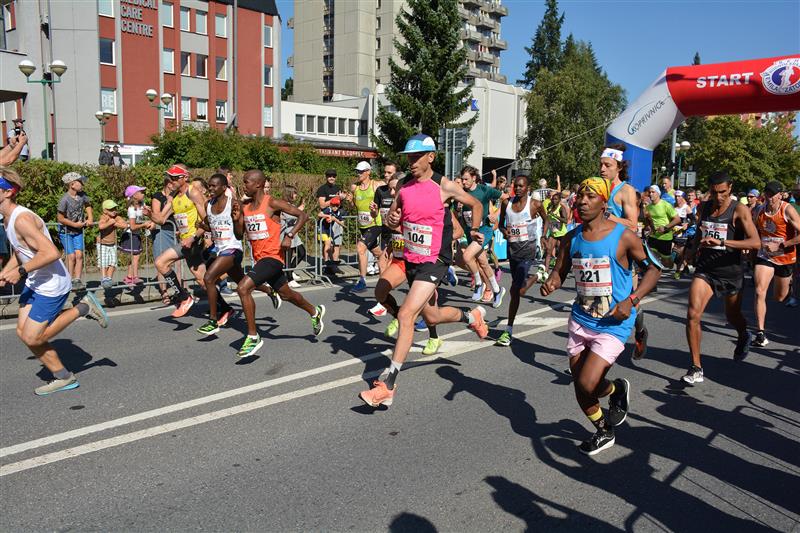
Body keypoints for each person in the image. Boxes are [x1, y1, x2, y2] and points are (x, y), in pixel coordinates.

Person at [359, 134, 488, 408]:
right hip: (411, 259)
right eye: (408, 157)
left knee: (406, 314)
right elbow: (393, 218)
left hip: (435, 261)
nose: (412, 162)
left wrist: (475, 229)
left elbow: (476, 204)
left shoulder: (445, 186)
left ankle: (388, 385)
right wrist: (392, 219)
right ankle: (470, 315)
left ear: (431, 156)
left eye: (417, 157)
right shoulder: (403, 186)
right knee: (432, 315)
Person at [540, 177, 661, 455]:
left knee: (586, 381)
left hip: (613, 324)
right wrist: (552, 281)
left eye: (590, 197)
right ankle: (605, 428)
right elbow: (560, 270)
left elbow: (654, 271)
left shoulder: (624, 236)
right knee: (581, 387)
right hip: (581, 320)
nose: (582, 201)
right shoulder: (572, 238)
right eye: (580, 196)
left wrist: (632, 300)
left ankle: (616, 389)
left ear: (604, 202)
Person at [0, 167, 108, 395]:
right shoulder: (8, 218)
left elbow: (51, 253)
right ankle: (63, 377)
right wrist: (6, 271)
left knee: (33, 336)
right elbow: (21, 250)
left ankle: (84, 307)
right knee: (23, 333)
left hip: (52, 285)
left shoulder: (22, 219)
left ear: (8, 192)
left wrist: (19, 272)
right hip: (35, 281)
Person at [234, 170, 326, 358]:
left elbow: (303, 215)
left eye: (246, 182)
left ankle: (253, 336)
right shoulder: (245, 207)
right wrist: (237, 219)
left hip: (273, 258)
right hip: (261, 259)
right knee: (286, 295)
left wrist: (289, 235)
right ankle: (314, 311)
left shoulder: (272, 203)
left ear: (258, 184)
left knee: (243, 288)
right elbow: (238, 235)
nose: (244, 186)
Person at [682, 172, 760, 385]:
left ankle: (743, 334)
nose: (719, 197)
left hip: (731, 272)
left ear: (730, 188)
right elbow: (700, 232)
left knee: (732, 316)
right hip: (706, 269)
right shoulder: (704, 207)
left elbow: (755, 243)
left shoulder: (739, 210)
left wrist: (724, 243)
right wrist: (692, 249)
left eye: (723, 192)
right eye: (715, 193)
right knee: (692, 314)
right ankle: (696, 367)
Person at [373, 174, 443, 354]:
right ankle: (398, 316)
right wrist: (388, 248)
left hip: (420, 261)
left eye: (396, 188)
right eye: (392, 189)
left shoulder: (417, 206)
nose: (393, 192)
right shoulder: (393, 208)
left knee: (428, 310)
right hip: (400, 261)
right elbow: (391, 233)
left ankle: (434, 337)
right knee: (380, 291)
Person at [599, 145, 650, 358]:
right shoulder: (598, 187)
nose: (602, 168)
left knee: (624, 301)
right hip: (601, 253)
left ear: (618, 167)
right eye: (601, 164)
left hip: (621, 257)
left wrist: (608, 218)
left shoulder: (626, 191)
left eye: (607, 165)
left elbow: (632, 224)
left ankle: (639, 330)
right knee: (598, 301)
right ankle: (597, 350)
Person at [495, 174, 548, 347]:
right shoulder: (506, 203)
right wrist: (504, 232)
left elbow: (546, 220)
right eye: (515, 186)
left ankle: (536, 276)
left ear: (528, 188)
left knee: (520, 291)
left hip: (528, 251)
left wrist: (543, 237)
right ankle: (509, 330)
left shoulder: (535, 204)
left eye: (521, 186)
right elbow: (501, 224)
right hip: (513, 251)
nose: (517, 189)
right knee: (514, 291)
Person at [154, 164, 208, 317]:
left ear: (185, 177)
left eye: (174, 178)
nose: (171, 180)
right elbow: (161, 219)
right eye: (169, 177)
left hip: (194, 241)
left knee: (160, 262)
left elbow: (207, 221)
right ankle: (223, 307)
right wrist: (149, 213)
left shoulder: (193, 192)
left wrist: (194, 237)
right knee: (202, 279)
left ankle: (184, 298)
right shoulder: (174, 197)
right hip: (185, 241)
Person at [751, 180, 800, 347]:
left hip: (785, 257)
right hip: (765, 256)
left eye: (773, 194)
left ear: (780, 195)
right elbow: (754, 231)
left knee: (779, 297)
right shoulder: (759, 210)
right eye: (767, 193)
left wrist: (781, 245)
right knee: (759, 291)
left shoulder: (787, 210)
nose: (769, 197)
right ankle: (760, 333)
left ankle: (788, 288)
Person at [194, 173, 242, 336]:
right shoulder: (209, 204)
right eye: (209, 186)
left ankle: (213, 321)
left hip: (233, 249)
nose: (211, 189)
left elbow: (241, 233)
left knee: (208, 278)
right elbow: (210, 226)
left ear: (224, 188)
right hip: (220, 249)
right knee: (243, 282)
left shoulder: (233, 204)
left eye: (214, 186)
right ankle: (271, 291)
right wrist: (201, 225)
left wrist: (236, 221)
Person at [459, 165, 506, 308]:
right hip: (470, 232)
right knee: (483, 263)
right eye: (462, 179)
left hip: (484, 230)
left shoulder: (484, 190)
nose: (464, 182)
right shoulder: (461, 193)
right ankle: (497, 291)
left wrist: (495, 215)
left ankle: (479, 283)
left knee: (467, 256)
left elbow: (505, 197)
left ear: (474, 178)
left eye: (466, 179)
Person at [347, 161, 384, 292]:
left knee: (360, 247)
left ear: (368, 172)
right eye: (357, 171)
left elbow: (391, 187)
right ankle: (389, 273)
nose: (358, 174)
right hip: (363, 226)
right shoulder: (354, 187)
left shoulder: (376, 185)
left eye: (361, 171)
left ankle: (362, 281)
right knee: (378, 254)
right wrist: (350, 201)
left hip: (375, 223)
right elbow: (353, 207)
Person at [57, 172, 93, 289]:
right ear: (72, 184)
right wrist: (74, 224)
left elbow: (87, 205)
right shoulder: (64, 199)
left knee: (79, 254)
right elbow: (60, 218)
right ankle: (68, 280)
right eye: (80, 182)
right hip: (66, 231)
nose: (82, 184)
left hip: (78, 231)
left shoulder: (82, 195)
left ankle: (77, 279)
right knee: (71, 256)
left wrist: (90, 217)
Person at [150, 176, 178, 305]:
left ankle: (179, 291)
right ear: (168, 184)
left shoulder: (178, 195)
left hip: (177, 231)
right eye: (173, 183)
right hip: (162, 231)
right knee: (162, 262)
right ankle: (164, 292)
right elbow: (156, 215)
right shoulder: (157, 196)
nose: (175, 185)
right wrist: (168, 202)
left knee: (177, 264)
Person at [120, 185, 153, 285]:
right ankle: (135, 277)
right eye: (141, 192)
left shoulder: (142, 204)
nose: (143, 194)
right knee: (136, 257)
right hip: (131, 235)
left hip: (136, 234)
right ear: (134, 195)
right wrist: (144, 224)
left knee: (134, 256)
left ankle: (130, 276)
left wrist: (149, 212)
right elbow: (133, 226)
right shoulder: (131, 209)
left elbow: (148, 214)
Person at [644, 185, 680, 268]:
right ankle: (653, 272)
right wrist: (648, 227)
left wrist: (665, 227)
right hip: (653, 236)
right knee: (651, 257)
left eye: (653, 192)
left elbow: (677, 219)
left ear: (658, 194)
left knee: (666, 262)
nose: (651, 194)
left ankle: (673, 264)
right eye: (649, 192)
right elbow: (648, 221)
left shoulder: (666, 205)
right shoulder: (648, 207)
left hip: (665, 237)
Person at [316, 169, 344, 272]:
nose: (331, 178)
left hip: (337, 218)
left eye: (333, 176)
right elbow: (322, 205)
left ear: (336, 177)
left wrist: (344, 198)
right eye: (329, 176)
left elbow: (340, 204)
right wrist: (335, 198)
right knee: (328, 245)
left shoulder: (338, 188)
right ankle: (327, 266)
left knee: (337, 244)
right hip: (327, 221)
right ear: (326, 177)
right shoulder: (322, 189)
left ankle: (335, 266)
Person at [280, 184, 307, 289]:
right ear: (289, 193)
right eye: (294, 193)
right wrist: (300, 210)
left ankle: (289, 271)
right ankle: (289, 279)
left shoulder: (291, 205)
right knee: (288, 257)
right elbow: (290, 216)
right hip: (287, 235)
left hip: (294, 235)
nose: (296, 195)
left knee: (302, 253)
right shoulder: (284, 205)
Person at [97, 199, 127, 289]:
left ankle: (109, 278)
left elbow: (125, 225)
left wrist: (115, 223)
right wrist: (110, 222)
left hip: (113, 244)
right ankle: (104, 278)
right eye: (111, 209)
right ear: (105, 211)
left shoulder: (116, 217)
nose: (114, 211)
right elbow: (100, 226)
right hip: (103, 243)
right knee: (103, 262)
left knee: (113, 262)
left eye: (115, 208)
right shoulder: (104, 217)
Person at [318, 196, 345, 275]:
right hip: (322, 229)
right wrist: (327, 216)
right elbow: (319, 214)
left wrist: (335, 219)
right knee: (327, 243)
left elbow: (342, 223)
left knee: (331, 246)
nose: (335, 207)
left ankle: (331, 262)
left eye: (336, 206)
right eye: (333, 205)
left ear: (339, 206)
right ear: (330, 205)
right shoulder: (328, 209)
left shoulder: (338, 213)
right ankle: (327, 261)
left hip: (329, 231)